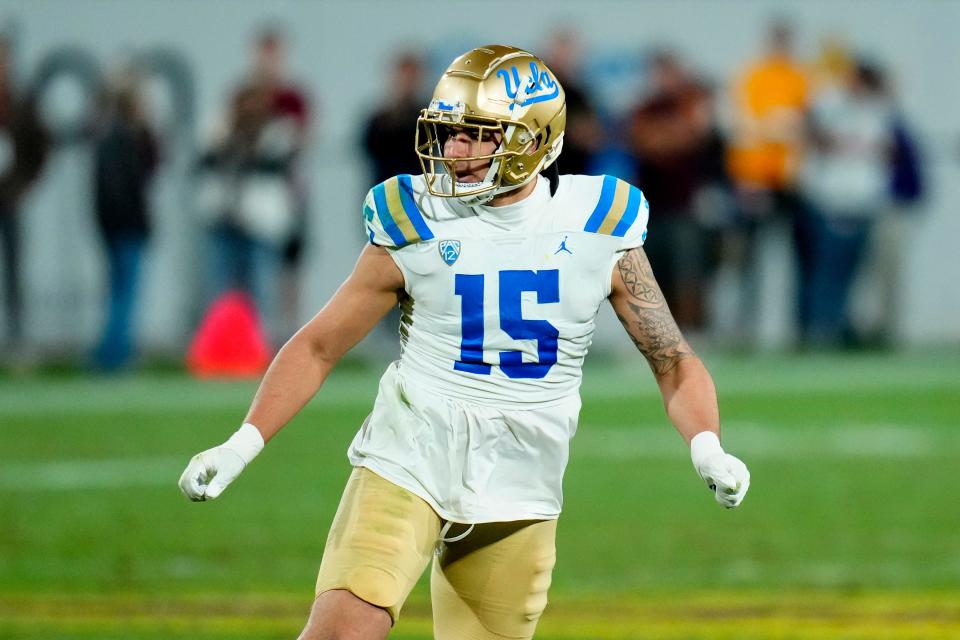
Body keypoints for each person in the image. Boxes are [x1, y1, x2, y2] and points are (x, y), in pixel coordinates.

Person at [179, 45, 750, 640]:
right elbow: (319, 345)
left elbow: (672, 360)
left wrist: (707, 447)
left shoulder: (598, 224)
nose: (454, 151)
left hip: (521, 482)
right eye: (449, 133)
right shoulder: (416, 217)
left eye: (477, 135)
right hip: (409, 456)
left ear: (532, 140)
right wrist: (242, 444)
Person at [91, 65, 160, 370]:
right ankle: (115, 356)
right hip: (125, 228)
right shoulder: (121, 138)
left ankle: (111, 353)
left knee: (119, 291)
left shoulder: (111, 135)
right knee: (125, 293)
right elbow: (123, 188)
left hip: (116, 227)